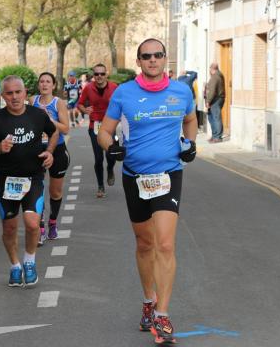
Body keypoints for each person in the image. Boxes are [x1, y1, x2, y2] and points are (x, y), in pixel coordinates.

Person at [97, 38, 197, 345]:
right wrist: (110, 148)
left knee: (165, 244)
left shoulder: (181, 91)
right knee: (144, 243)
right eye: (146, 56)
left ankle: (162, 316)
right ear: (139, 61)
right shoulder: (125, 93)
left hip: (169, 174)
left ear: (165, 58)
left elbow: (190, 119)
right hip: (135, 176)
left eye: (157, 55)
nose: (152, 60)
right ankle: (148, 300)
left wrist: (191, 144)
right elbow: (104, 130)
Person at [0, 75, 59, 287]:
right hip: (7, 181)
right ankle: (15, 265)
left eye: (18, 92)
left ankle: (29, 261)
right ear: (3, 96)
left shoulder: (37, 115)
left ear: (25, 93)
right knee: (9, 229)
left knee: (32, 224)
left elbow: (54, 131)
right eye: (9, 93)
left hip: (34, 178)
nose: (14, 97)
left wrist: (49, 152)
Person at [30, 72, 70, 245]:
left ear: (53, 85)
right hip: (37, 150)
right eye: (42, 81)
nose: (44, 84)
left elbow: (66, 129)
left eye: (48, 82)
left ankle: (52, 221)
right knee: (36, 190)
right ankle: (40, 228)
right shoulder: (32, 101)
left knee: (55, 192)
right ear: (39, 85)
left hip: (57, 151)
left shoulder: (58, 103)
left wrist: (48, 120)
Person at [78, 63, 118, 198]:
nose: (99, 76)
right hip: (94, 126)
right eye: (96, 74)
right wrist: (85, 110)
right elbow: (80, 104)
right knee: (98, 158)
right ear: (93, 76)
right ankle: (101, 186)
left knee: (111, 155)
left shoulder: (114, 87)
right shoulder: (88, 88)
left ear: (106, 74)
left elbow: (122, 103)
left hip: (110, 125)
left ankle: (110, 168)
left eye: (102, 74)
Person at [205, 63, 225, 143]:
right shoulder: (218, 75)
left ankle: (218, 137)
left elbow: (212, 91)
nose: (209, 70)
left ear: (212, 69)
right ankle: (214, 135)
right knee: (211, 117)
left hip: (215, 100)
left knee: (216, 118)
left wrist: (208, 101)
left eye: (210, 69)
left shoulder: (215, 77)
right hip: (216, 99)